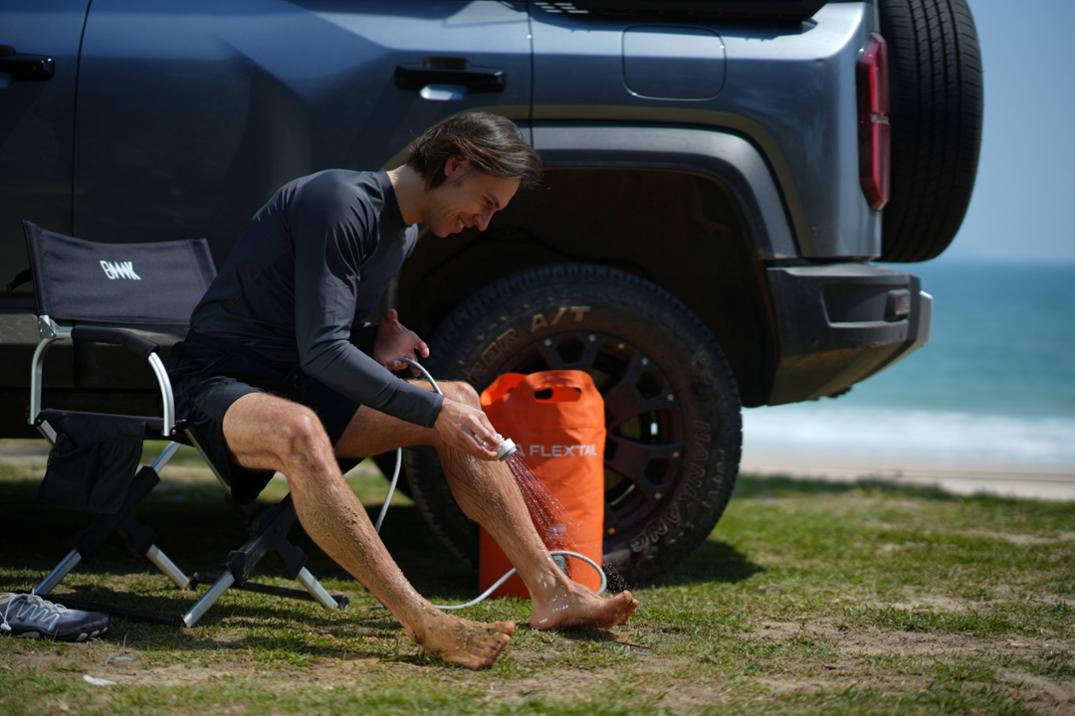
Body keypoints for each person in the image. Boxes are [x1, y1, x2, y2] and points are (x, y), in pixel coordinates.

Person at [168, 112, 637, 669]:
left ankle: (553, 592)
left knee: (459, 397)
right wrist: (427, 408)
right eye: (486, 202)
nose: (483, 223)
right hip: (222, 382)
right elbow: (320, 348)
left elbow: (325, 329)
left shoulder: (406, 230)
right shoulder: (339, 200)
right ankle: (424, 620)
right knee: (304, 429)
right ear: (455, 166)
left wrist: (376, 337)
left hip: (301, 383)